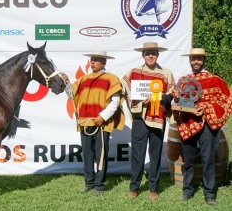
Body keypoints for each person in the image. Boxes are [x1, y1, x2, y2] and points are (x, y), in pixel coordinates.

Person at [173, 48, 232, 205]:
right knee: (189, 160)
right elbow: (178, 102)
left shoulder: (215, 80)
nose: (196, 61)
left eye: (199, 58)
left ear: (204, 60)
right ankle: (187, 190)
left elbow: (226, 100)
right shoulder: (184, 80)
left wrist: (205, 108)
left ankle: (209, 193)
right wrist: (176, 98)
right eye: (193, 58)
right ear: (190, 60)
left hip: (207, 124)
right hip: (187, 123)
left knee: (207, 159)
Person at [63, 51, 125, 196]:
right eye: (92, 60)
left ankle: (99, 185)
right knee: (87, 154)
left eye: (96, 60)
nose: (92, 62)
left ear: (104, 62)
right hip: (85, 121)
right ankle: (89, 182)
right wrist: (66, 82)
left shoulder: (112, 78)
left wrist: (102, 117)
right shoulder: (83, 78)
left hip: (101, 123)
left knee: (100, 155)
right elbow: (71, 94)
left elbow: (115, 102)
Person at [121, 42, 175, 201]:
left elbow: (171, 95)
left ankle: (154, 188)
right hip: (139, 119)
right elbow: (124, 88)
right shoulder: (134, 72)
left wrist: (158, 98)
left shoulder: (166, 73)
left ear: (158, 55)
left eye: (153, 53)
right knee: (137, 153)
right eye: (147, 53)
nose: (150, 55)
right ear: (143, 55)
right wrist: (136, 102)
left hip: (158, 119)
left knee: (155, 153)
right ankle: (134, 187)